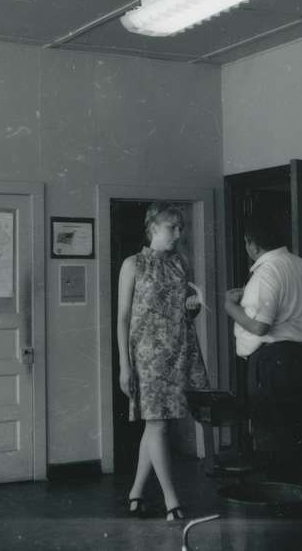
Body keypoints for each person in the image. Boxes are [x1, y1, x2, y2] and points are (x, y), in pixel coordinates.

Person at [117, 201, 210, 522]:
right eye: (173, 227)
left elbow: (184, 312)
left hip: (178, 350)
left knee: (158, 425)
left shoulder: (180, 263)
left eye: (180, 228)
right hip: (147, 354)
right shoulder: (133, 264)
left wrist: (194, 306)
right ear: (153, 228)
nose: (178, 233)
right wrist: (124, 365)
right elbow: (123, 318)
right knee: (157, 424)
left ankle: (135, 494)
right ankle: (173, 502)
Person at [224, 214, 302, 484]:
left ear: (251, 243)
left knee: (272, 437)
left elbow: (260, 327)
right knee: (299, 433)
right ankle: (298, 498)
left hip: (273, 362)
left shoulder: (267, 271)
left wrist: (230, 306)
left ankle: (279, 503)